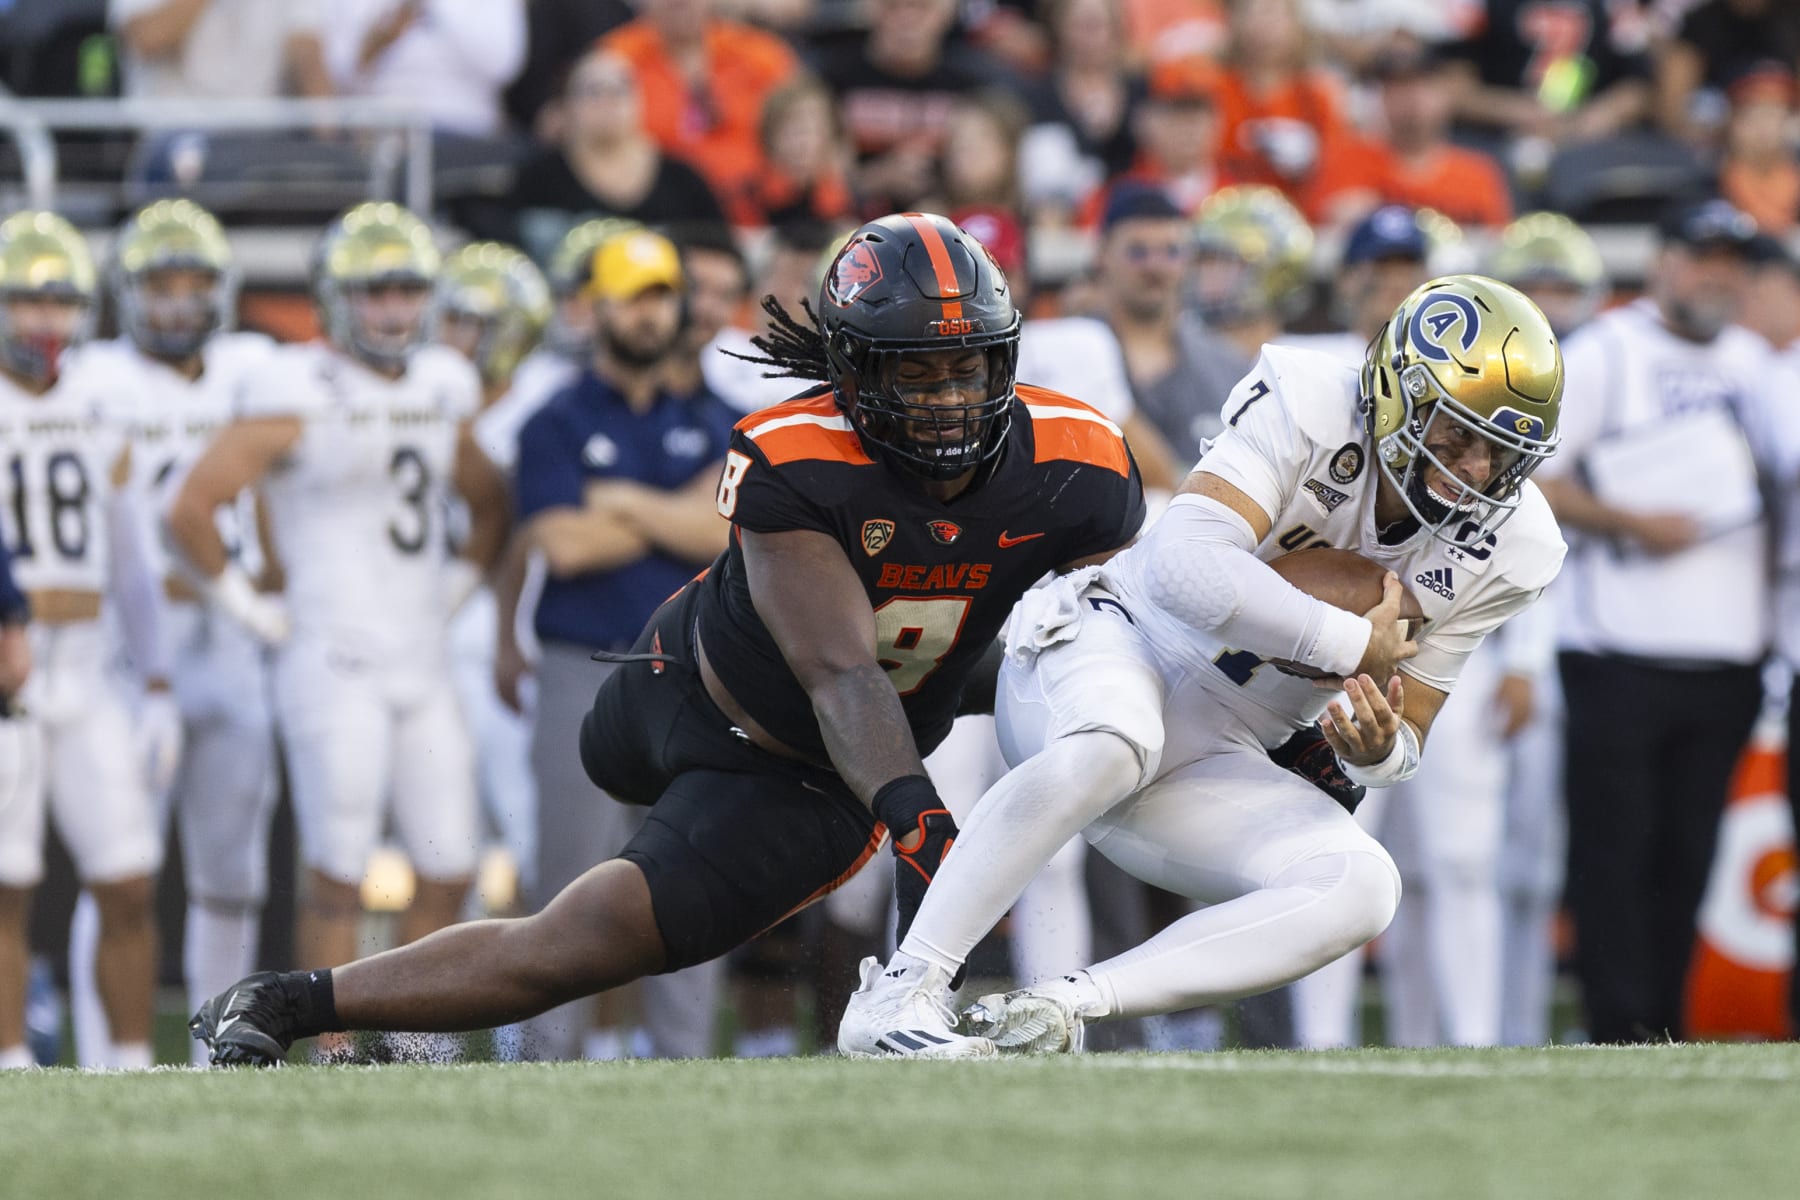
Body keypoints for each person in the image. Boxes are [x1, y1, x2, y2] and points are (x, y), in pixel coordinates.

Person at [189, 211, 1145, 1066]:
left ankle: (285, 1001)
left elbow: (1132, 620)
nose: (945, 397)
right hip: (679, 684)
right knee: (663, 780)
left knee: (577, 946)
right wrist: (922, 821)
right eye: (915, 371)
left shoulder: (1081, 462)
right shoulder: (797, 453)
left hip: (801, 778)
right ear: (854, 371)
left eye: (966, 365)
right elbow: (840, 670)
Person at [839, 274, 1566, 1057]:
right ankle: (900, 992)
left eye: (1501, 449)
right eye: (1455, 435)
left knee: (1363, 885)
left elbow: (1410, 735)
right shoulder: (1311, 402)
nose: (1477, 469)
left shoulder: (1514, 546)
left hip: (1221, 749)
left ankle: (1058, 1008)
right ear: (1394, 394)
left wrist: (1378, 749)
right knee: (1116, 739)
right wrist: (1349, 644)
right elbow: (1183, 568)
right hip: (1112, 644)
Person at [169, 203, 509, 1045]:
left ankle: (413, 1048)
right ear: (333, 298)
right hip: (332, 659)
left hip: (419, 659)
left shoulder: (441, 382)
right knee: (336, 873)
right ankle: (330, 1051)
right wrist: (254, 607)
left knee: (449, 866)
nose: (394, 309)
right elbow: (191, 508)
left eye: (407, 290)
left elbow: (490, 502)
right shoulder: (298, 385)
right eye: (375, 291)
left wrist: (458, 589)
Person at [1534, 198, 1775, 1044]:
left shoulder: (1759, 363)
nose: (1718, 275)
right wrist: (1634, 523)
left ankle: (1666, 1028)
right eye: (1702, 256)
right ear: (1664, 261)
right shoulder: (1606, 350)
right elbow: (1532, 478)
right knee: (1615, 858)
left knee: (1690, 860)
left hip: (1729, 656)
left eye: (1733, 262)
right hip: (1619, 649)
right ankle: (1615, 1029)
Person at [503, 227, 736, 1060]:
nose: (651, 313)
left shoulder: (718, 417)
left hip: (696, 674)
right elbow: (562, 547)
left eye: (661, 294)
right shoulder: (553, 421)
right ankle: (545, 1060)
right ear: (592, 307)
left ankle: (683, 1065)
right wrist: (675, 512)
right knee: (567, 876)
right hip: (586, 666)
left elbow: (727, 534)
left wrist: (621, 502)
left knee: (698, 877)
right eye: (633, 295)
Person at [77, 200, 281, 1063]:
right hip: (129, 650)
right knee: (115, 864)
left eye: (194, 283)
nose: (177, 303)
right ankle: (102, 1063)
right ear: (129, 293)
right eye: (161, 285)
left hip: (234, 644)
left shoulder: (254, 366)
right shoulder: (94, 376)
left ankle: (216, 1061)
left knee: (231, 879)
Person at [0, 211, 172, 1070]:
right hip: (10, 671)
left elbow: (135, 565)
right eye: (27, 300)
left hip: (92, 666)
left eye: (60, 300)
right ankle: (8, 1066)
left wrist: (158, 684)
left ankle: (132, 1064)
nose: (44, 321)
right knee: (5, 886)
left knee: (129, 881)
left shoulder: (104, 403)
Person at [1483, 210, 1605, 1047]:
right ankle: (1483, 1029)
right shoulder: (1497, 387)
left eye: (1564, 288)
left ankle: (1519, 1027)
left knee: (1537, 867)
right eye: (1539, 288)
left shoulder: (1601, 371)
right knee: (1476, 864)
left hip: (1584, 641)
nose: (1553, 305)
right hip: (1504, 638)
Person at [506, 51, 728, 261]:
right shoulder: (538, 178)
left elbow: (721, 251)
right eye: (592, 91)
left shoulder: (683, 179)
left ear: (640, 98)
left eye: (619, 89)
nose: (607, 101)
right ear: (566, 105)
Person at [598, 0, 800, 206]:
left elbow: (805, 133)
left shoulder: (763, 56)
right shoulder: (615, 59)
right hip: (654, 208)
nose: (680, 3)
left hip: (760, 209)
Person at [319, 0, 526, 137]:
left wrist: (438, 7)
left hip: (460, 129)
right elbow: (334, 76)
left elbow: (504, 67)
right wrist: (375, 44)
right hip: (375, 130)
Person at [110, 0, 333, 101]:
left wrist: (336, 138)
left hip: (261, 139)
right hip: (173, 140)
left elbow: (307, 57)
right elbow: (148, 38)